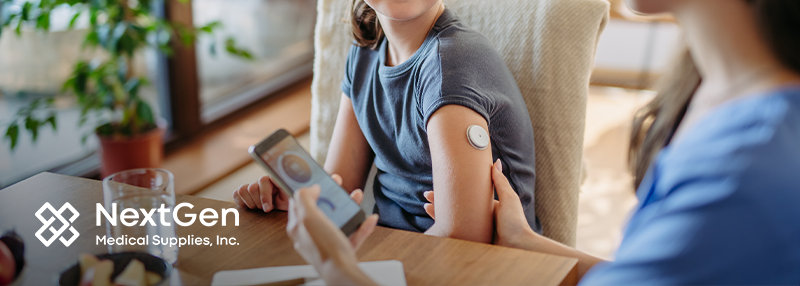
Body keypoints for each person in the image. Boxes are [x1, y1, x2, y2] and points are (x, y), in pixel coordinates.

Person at [284, 0, 800, 284]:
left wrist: (340, 271)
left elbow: (458, 242)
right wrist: (528, 242)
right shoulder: (713, 98)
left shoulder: (744, 169)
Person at [234, 0, 541, 243]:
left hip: (476, 266)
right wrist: (300, 201)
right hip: (394, 248)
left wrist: (360, 268)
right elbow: (341, 192)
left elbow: (463, 240)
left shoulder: (452, 65)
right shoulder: (365, 54)